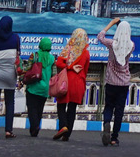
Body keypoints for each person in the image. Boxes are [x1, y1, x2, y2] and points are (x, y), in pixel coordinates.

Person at [95, 16, 133, 147]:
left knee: (109, 106)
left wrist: (111, 23)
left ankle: (106, 123)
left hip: (111, 82)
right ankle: (114, 138)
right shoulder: (131, 46)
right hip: (124, 83)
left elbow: (100, 37)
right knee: (119, 110)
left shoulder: (112, 44)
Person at [0, 15, 21, 139]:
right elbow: (18, 55)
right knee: (10, 102)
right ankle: (8, 130)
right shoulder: (16, 38)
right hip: (10, 73)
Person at [52, 28, 90, 141]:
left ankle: (63, 126)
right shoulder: (86, 53)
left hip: (66, 81)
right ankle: (66, 135)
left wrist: (69, 67)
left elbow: (59, 63)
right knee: (72, 108)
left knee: (61, 105)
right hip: (79, 83)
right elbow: (86, 70)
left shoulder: (68, 49)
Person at [22, 37, 54, 137]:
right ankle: (36, 127)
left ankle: (34, 127)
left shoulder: (34, 55)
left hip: (33, 87)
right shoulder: (52, 58)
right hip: (45, 89)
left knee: (32, 109)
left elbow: (27, 67)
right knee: (40, 109)